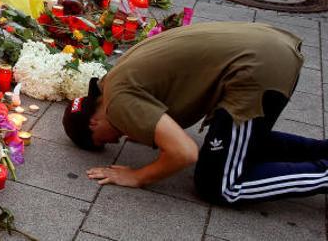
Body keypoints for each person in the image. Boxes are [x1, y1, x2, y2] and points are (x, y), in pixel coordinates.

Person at [59, 22, 328, 206]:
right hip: (262, 46)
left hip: (257, 69)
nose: (116, 141)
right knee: (235, 147)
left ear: (94, 122)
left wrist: (138, 176)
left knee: (219, 186)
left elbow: (185, 153)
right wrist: (145, 127)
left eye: (105, 141)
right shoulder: (112, 82)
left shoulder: (118, 104)